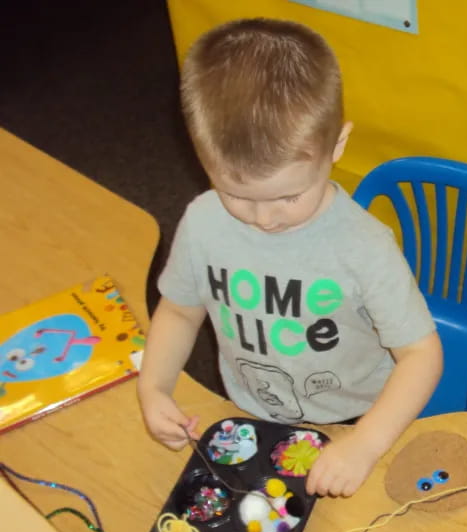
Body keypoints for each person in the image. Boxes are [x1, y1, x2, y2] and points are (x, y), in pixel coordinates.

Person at [138, 18, 442, 497]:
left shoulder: (363, 246)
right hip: (250, 411)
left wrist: (364, 444)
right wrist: (154, 387)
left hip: (354, 421)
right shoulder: (203, 221)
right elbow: (179, 310)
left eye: (288, 196)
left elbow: (422, 355)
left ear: (337, 146)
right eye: (236, 194)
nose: (264, 218)